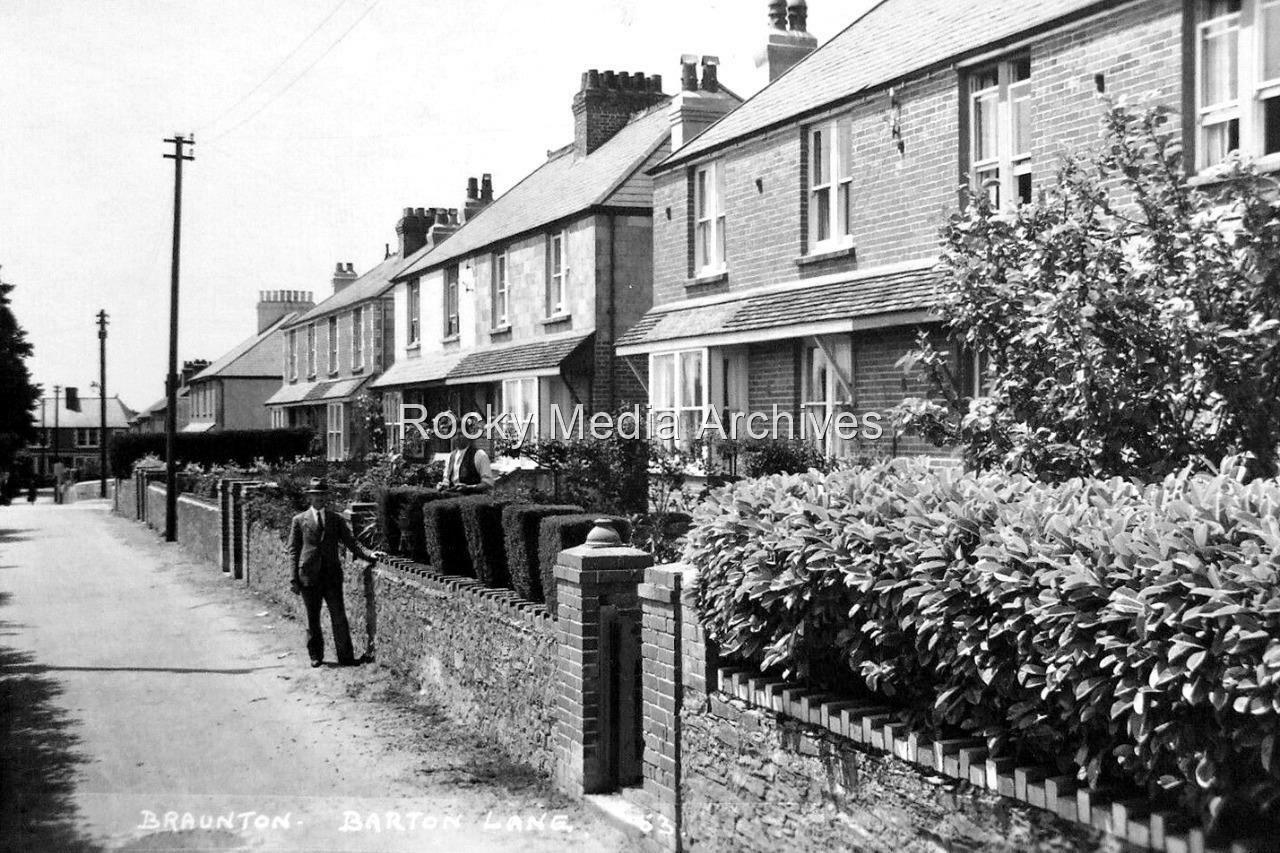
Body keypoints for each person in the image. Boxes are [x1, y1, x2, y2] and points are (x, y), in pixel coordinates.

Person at [287, 478, 378, 667]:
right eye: (315, 495)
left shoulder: (335, 519)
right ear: (309, 498)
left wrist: (369, 554)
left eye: (322, 495)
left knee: (339, 616)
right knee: (313, 618)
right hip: (308, 576)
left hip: (331, 576)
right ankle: (316, 656)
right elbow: (293, 550)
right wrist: (293, 578)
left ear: (326, 497)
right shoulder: (299, 520)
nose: (319, 498)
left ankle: (346, 657)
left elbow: (351, 542)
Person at [437, 422, 495, 493]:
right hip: (452, 499)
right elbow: (446, 479)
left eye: (460, 434)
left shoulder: (480, 455)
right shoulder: (450, 456)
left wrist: (469, 488)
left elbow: (488, 484)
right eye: (454, 435)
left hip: (472, 500)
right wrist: (443, 485)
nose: (457, 438)